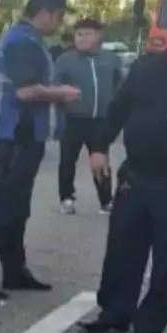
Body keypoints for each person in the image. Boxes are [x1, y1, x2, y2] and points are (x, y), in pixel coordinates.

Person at [0, 0, 81, 299]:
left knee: (16, 208)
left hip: (22, 136)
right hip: (13, 136)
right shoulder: (23, 42)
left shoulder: (28, 39)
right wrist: (62, 93)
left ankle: (14, 271)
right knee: (1, 207)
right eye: (59, 17)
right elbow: (26, 91)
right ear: (46, 12)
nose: (60, 23)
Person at [81, 40, 167, 333]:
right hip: (137, 172)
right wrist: (99, 147)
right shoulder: (147, 68)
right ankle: (115, 312)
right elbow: (118, 108)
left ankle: (148, 325)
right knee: (123, 246)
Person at [55, 18, 124, 215]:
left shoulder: (111, 59)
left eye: (87, 34)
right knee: (67, 160)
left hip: (101, 121)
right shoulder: (65, 60)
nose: (82, 38)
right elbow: (55, 86)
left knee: (101, 161)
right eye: (79, 34)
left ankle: (106, 200)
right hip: (73, 119)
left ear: (99, 36)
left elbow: (120, 86)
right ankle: (67, 198)